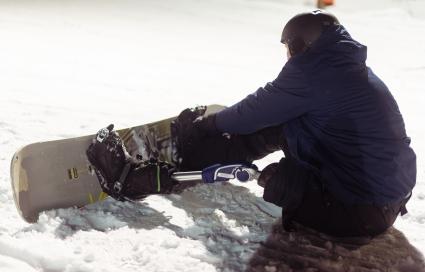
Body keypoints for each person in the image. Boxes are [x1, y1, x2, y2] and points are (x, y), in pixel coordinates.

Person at [87, 10, 416, 240]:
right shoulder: (347, 69)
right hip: (383, 198)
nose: (287, 55)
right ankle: (200, 154)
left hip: (359, 212)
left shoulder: (314, 73)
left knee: (278, 180)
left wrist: (209, 126)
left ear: (301, 45)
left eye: (288, 48)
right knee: (285, 126)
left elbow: (257, 109)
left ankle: (132, 181)